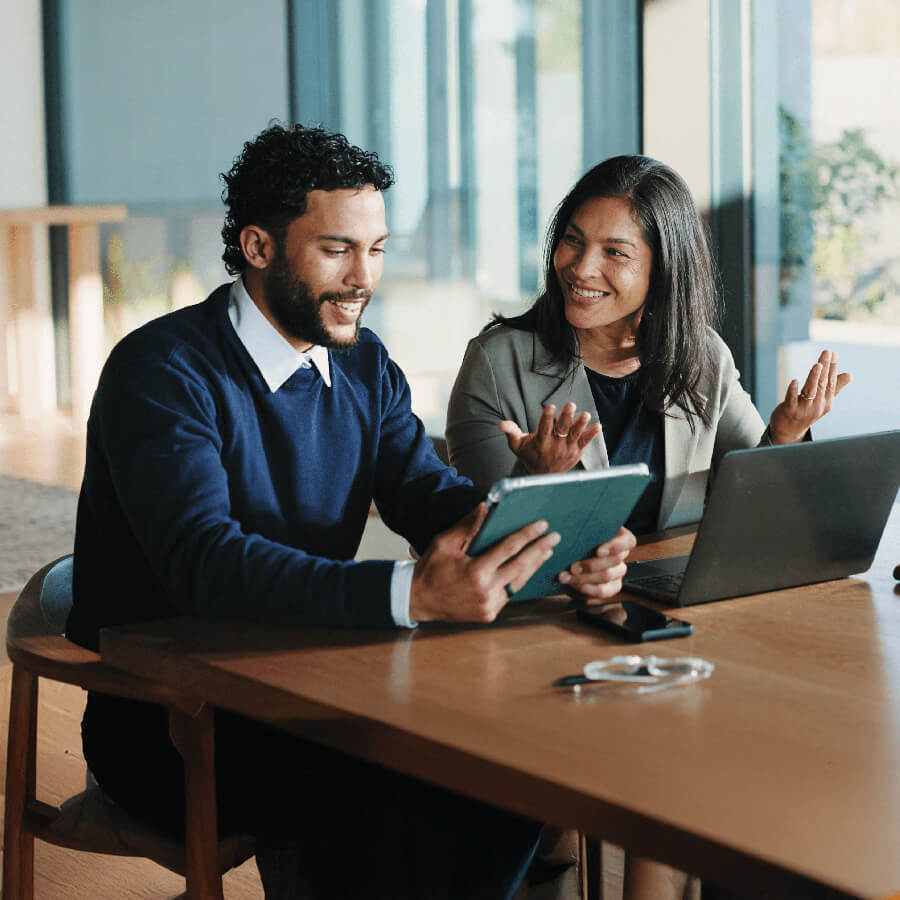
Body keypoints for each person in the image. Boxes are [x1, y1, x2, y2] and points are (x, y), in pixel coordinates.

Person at [65, 122, 629, 900]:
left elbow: (427, 496)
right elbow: (206, 563)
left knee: (508, 760)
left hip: (317, 681)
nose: (365, 277)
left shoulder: (363, 364)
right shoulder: (162, 372)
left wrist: (556, 539)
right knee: (419, 784)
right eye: (337, 249)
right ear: (258, 247)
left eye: (378, 248)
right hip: (176, 718)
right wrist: (407, 594)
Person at [445, 154, 851, 899]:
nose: (580, 266)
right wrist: (534, 477)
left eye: (614, 252)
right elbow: (470, 527)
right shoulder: (499, 360)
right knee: (674, 756)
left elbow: (748, 503)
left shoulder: (701, 359)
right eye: (572, 240)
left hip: (663, 619)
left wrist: (786, 437)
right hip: (539, 629)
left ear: (664, 271)